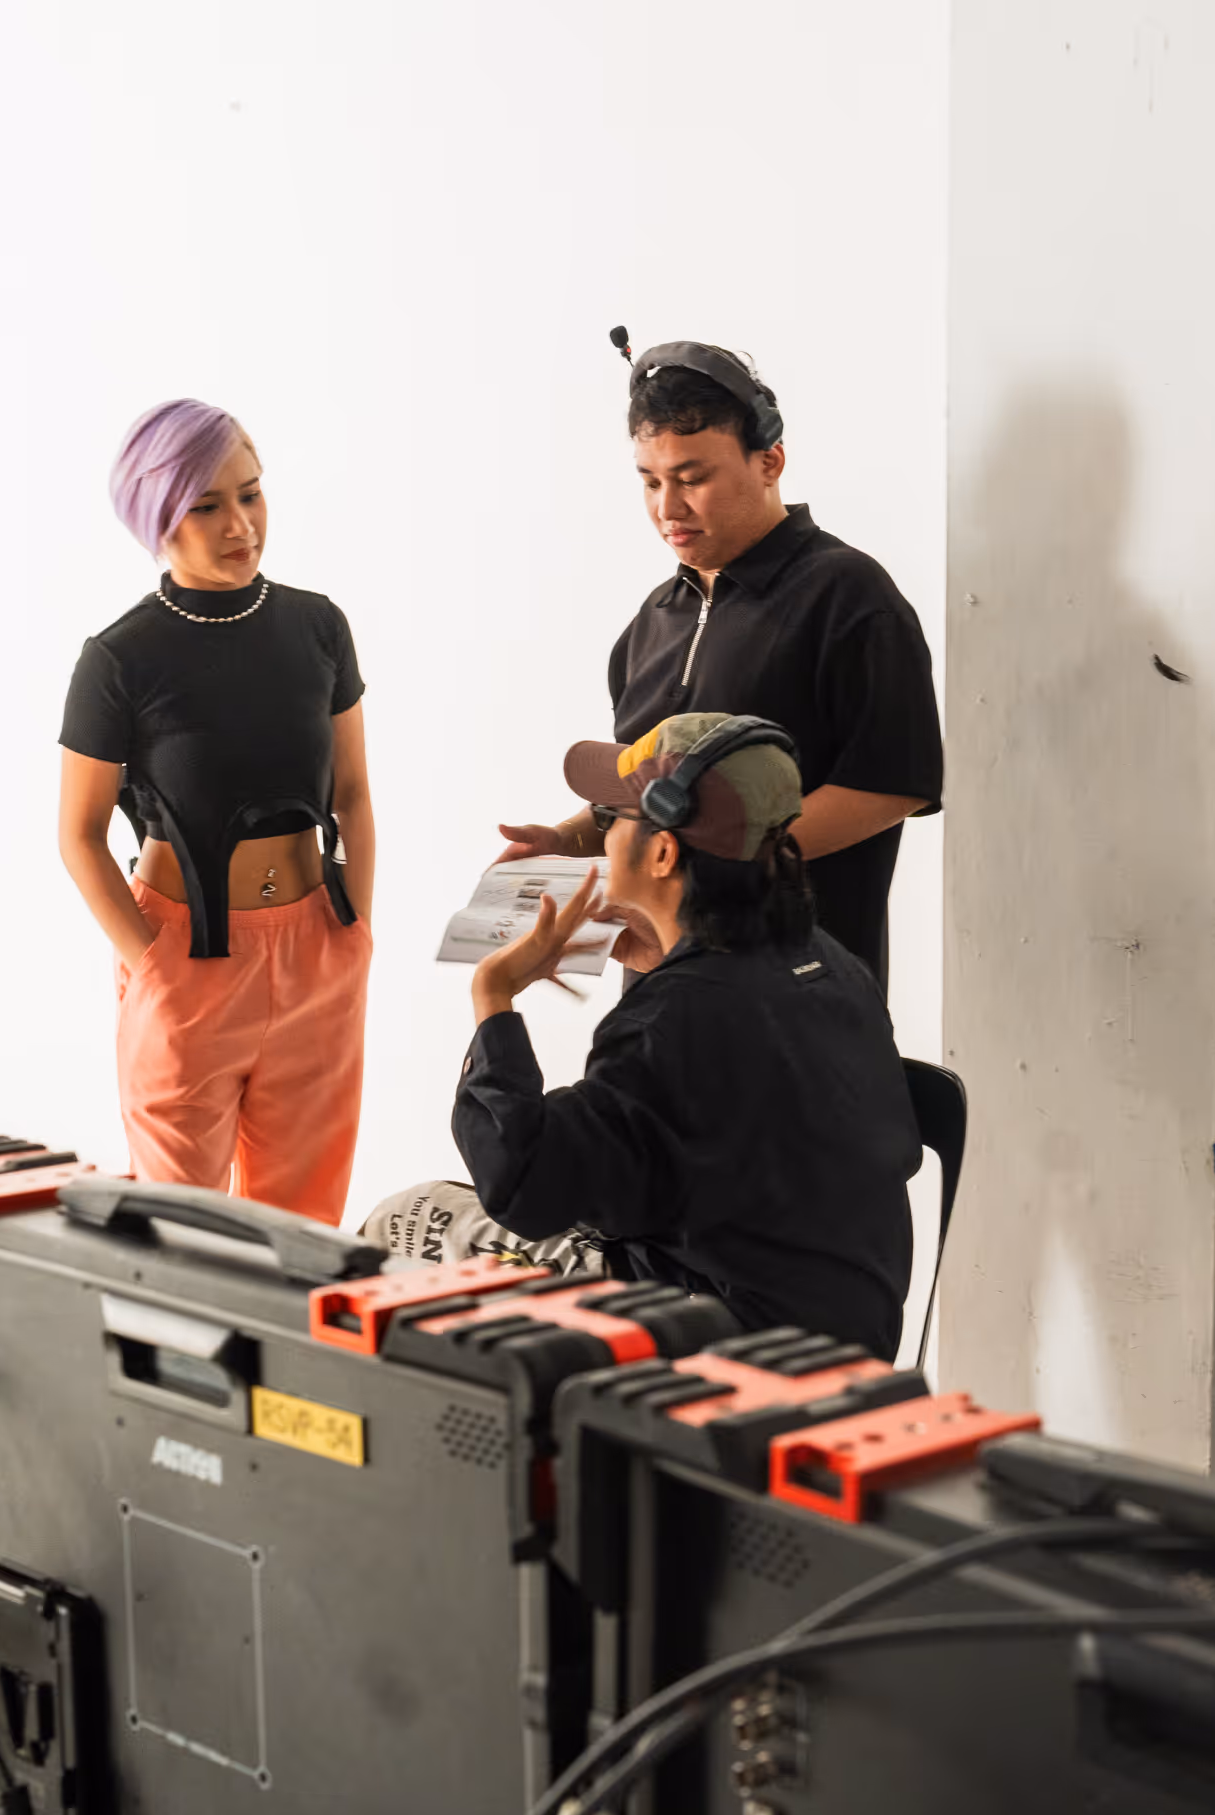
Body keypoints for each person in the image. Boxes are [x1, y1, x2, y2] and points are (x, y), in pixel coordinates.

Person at [453, 714, 919, 1357]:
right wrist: (669, 960)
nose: (601, 835)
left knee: (413, 1216)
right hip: (855, 1338)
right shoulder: (831, 964)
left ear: (664, 853)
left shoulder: (666, 1020)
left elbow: (525, 1186)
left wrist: (494, 998)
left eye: (612, 817)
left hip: (733, 1353)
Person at [497, 339, 941, 992]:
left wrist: (713, 863)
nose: (668, 508)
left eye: (692, 478)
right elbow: (654, 793)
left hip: (799, 1002)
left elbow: (892, 784)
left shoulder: (847, 595)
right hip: (663, 1004)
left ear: (770, 461)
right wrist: (569, 841)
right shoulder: (651, 622)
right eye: (651, 481)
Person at [57, 400, 375, 1225]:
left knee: (303, 1232)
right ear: (155, 514)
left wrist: (354, 927)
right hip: (185, 956)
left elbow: (352, 791)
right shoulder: (119, 657)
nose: (241, 524)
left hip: (317, 951)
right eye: (206, 506)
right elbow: (79, 835)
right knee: (182, 1238)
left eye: (251, 494)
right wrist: (153, 966)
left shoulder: (318, 626)